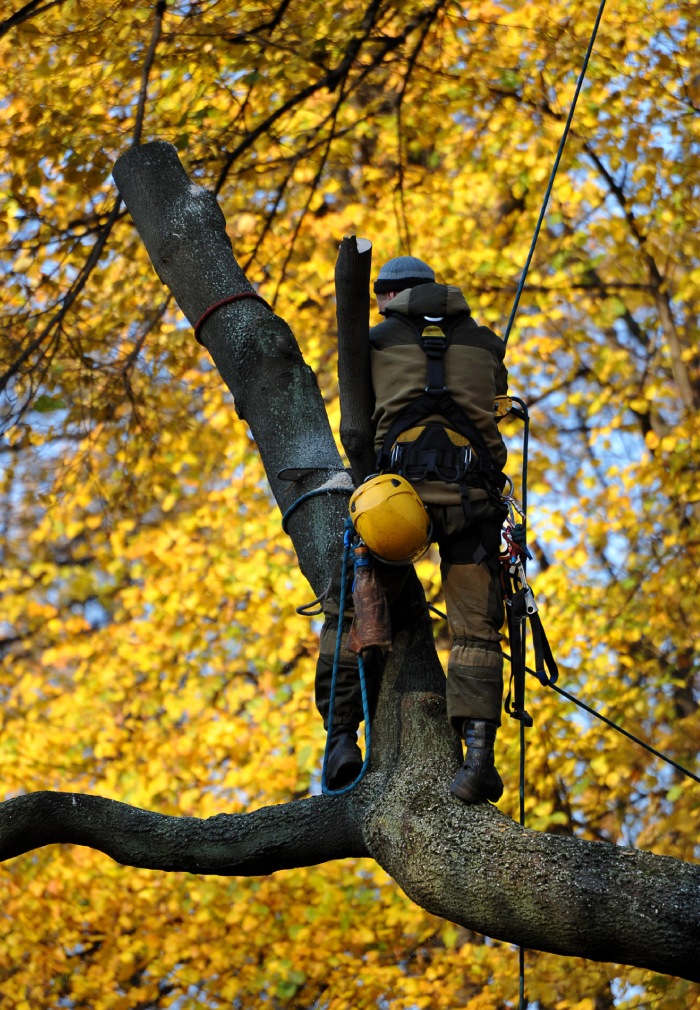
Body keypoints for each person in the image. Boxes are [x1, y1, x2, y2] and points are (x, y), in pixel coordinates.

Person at [316, 256, 509, 802]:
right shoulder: (485, 343)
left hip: (396, 506)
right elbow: (493, 404)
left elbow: (358, 424)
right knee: (476, 629)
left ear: (390, 296)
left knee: (351, 612)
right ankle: (478, 760)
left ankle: (340, 738)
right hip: (472, 501)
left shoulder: (371, 342)